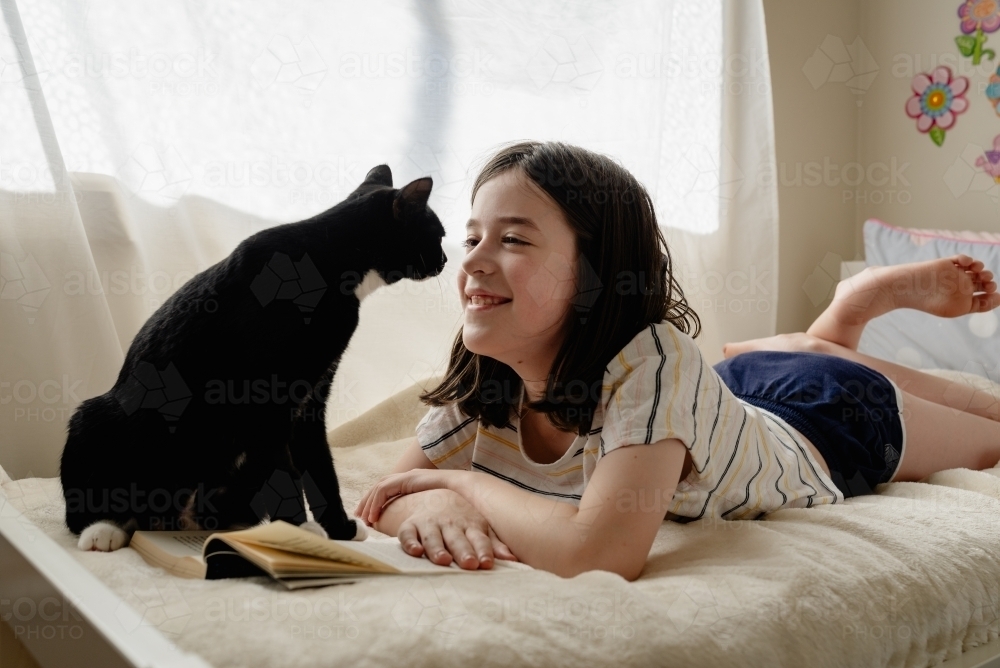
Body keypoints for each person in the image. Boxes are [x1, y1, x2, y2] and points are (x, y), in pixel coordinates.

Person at [355, 141, 1000, 582]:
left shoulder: (654, 358)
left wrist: (465, 486)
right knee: (793, 363)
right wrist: (433, 506)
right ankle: (824, 332)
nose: (469, 259)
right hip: (730, 395)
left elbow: (600, 553)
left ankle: (844, 321)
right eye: (472, 237)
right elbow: (387, 496)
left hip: (831, 418)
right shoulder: (485, 384)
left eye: (514, 238)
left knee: (990, 430)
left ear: (596, 274)